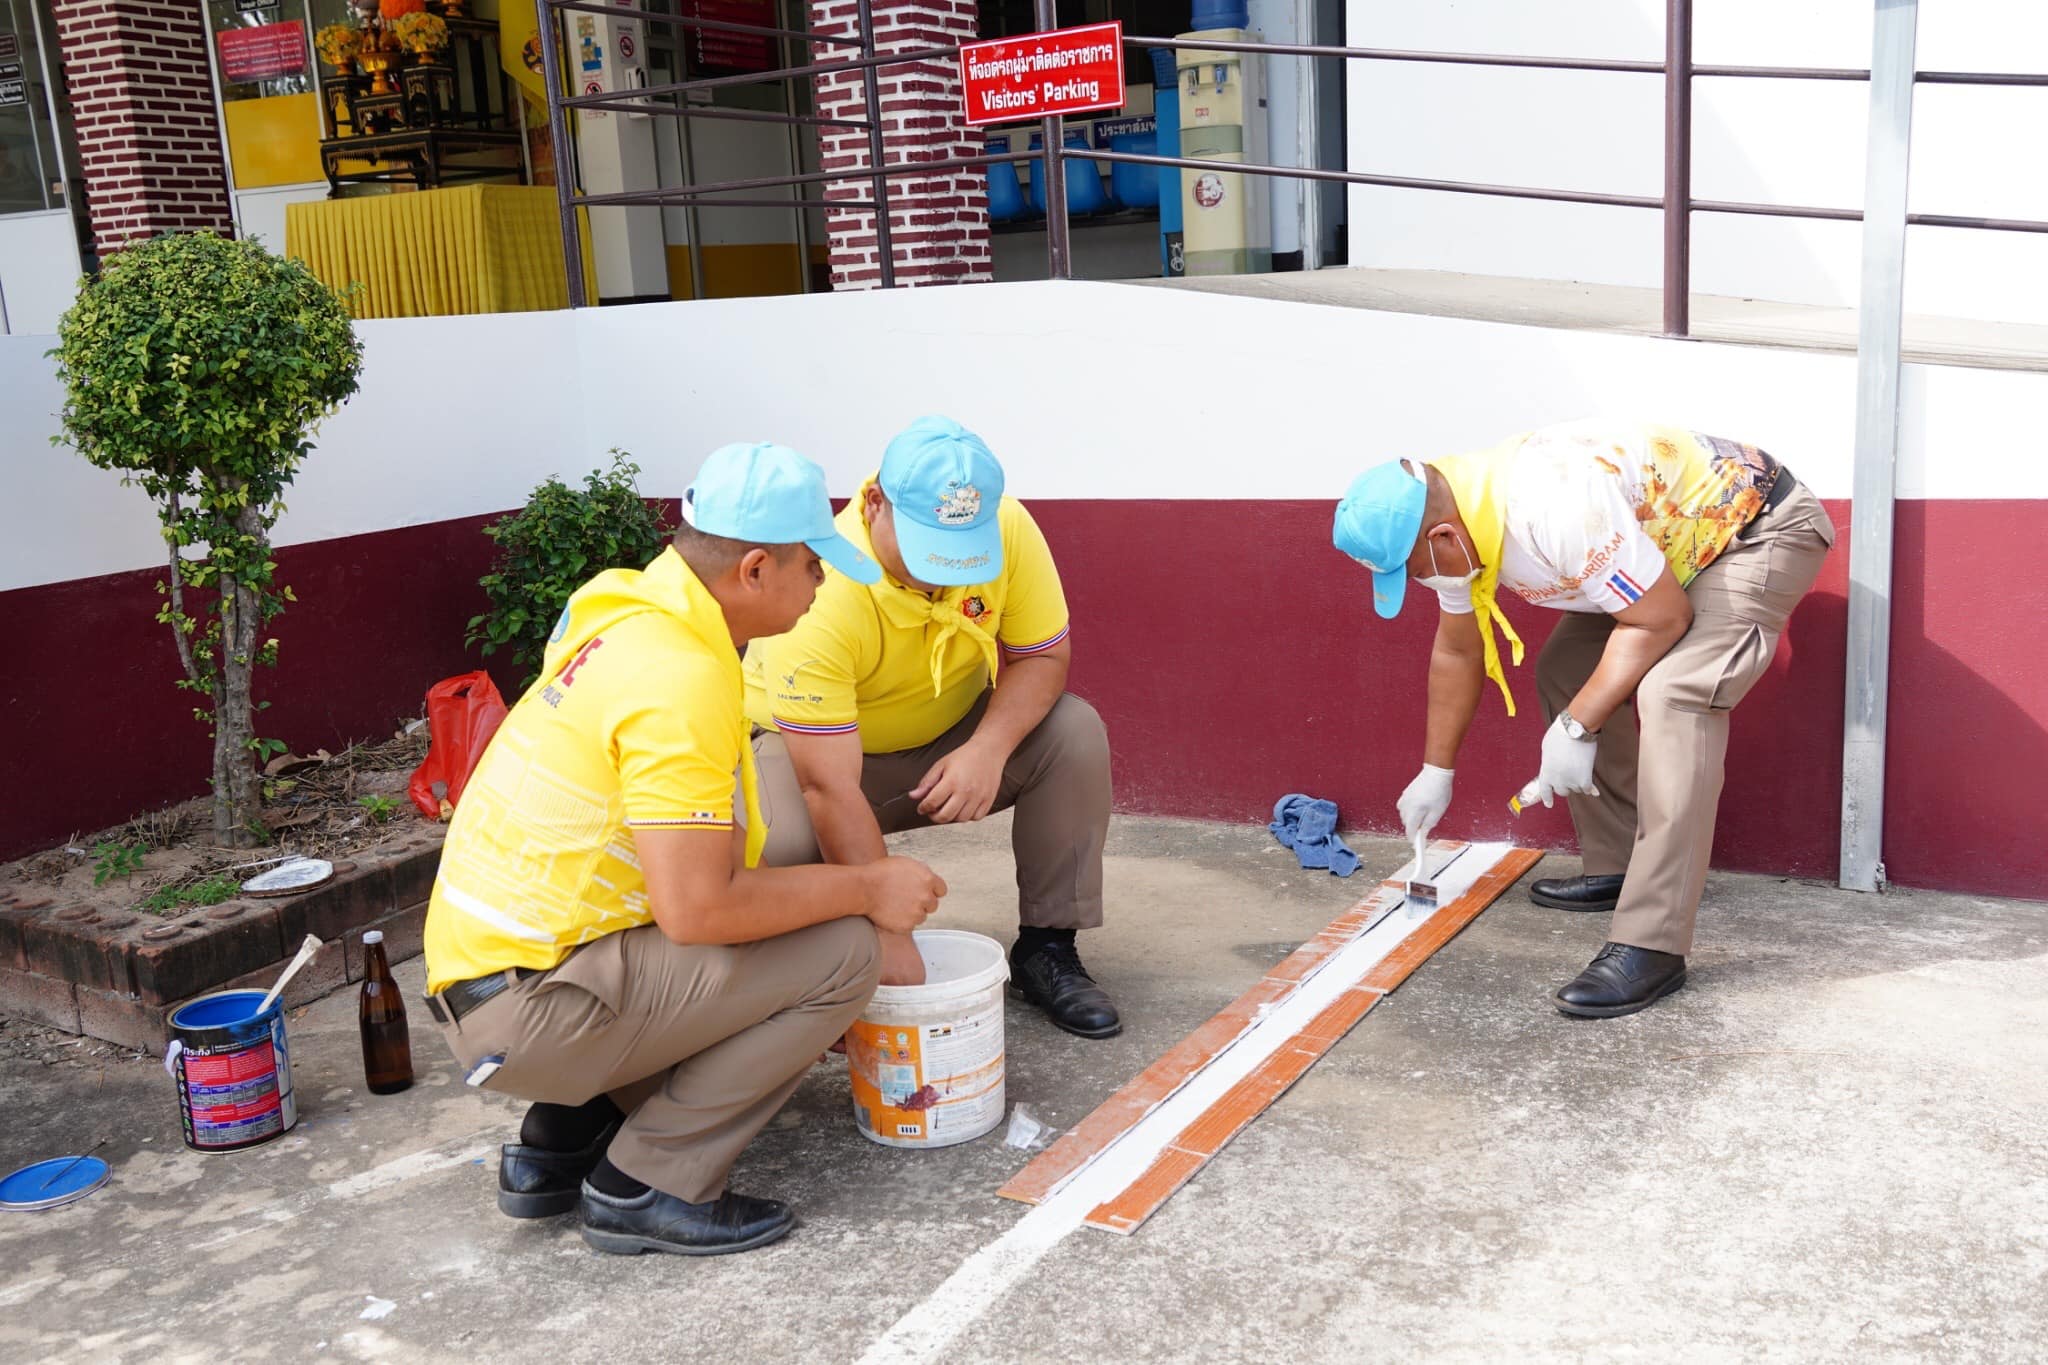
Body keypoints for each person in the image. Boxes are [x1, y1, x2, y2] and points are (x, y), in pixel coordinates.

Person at [421, 442, 948, 1257]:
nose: (822, 584)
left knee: (770, 907)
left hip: (493, 978)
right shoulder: (680, 674)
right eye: (814, 565)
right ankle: (648, 1183)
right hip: (531, 1009)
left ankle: (567, 1134)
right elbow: (699, 909)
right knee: (845, 950)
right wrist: (870, 887)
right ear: (755, 571)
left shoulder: (623, 608)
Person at [1333, 419, 1834, 1018]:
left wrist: (1576, 726)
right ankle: (1624, 866)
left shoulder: (1552, 506)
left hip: (1754, 531)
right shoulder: (1458, 520)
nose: (1419, 583)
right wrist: (1435, 771)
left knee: (1677, 694)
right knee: (1569, 667)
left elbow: (1660, 619)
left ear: (1441, 536)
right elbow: (1459, 650)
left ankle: (1652, 943)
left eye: (1413, 571)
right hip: (1671, 548)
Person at [743, 415, 1121, 1038]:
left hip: (949, 741)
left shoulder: (1009, 527)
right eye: (927, 550)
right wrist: (891, 932)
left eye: (963, 551)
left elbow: (1043, 657)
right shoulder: (824, 591)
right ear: (874, 504)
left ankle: (1047, 948)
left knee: (1072, 733)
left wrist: (987, 749)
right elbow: (825, 787)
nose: (945, 573)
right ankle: (825, 968)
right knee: (771, 839)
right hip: (815, 758)